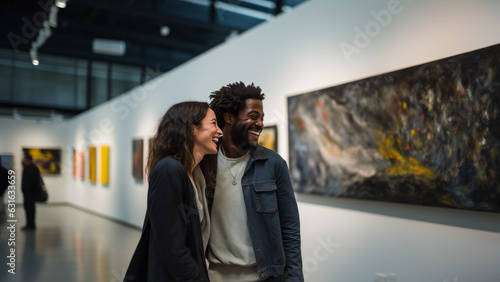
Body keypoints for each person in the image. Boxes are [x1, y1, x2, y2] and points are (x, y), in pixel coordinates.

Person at [207, 82, 303, 281]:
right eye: (253, 117)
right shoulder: (205, 164)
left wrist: (294, 277)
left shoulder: (274, 164)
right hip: (214, 274)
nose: (260, 124)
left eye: (262, 118)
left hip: (263, 276)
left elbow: (290, 228)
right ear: (229, 117)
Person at [124, 101, 222, 281]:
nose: (220, 131)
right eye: (214, 123)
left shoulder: (196, 175)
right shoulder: (168, 170)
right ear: (193, 128)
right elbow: (172, 248)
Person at [21, 155, 40, 231]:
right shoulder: (26, 168)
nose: (24, 162)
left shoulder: (34, 169)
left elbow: (35, 182)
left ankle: (31, 225)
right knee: (27, 208)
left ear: (30, 161)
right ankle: (29, 224)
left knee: (30, 209)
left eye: (26, 160)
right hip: (26, 192)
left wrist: (33, 191)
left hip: (31, 193)